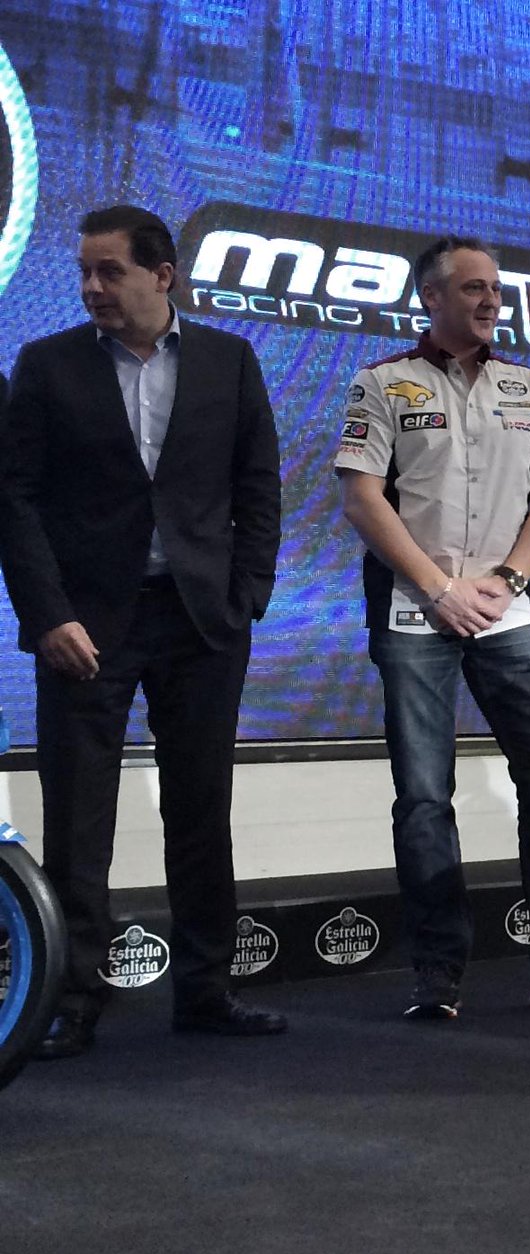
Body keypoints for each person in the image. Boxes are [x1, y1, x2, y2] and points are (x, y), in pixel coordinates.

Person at [0, 204, 286, 1058]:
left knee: (201, 808)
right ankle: (69, 1000)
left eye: (109, 271)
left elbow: (258, 486)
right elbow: (14, 500)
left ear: (162, 275)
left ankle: (206, 991)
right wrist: (48, 615)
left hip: (201, 621)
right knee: (78, 819)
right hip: (84, 626)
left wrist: (247, 596)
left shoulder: (231, 360)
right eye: (84, 271)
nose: (92, 287)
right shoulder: (46, 365)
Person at [335, 235, 530, 1020]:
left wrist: (507, 580)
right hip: (414, 609)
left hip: (507, 610)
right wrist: (439, 589)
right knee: (424, 796)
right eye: (473, 288)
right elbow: (362, 498)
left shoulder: (529, 386)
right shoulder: (381, 382)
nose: (491, 300)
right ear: (431, 297)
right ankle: (438, 972)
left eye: (495, 288)